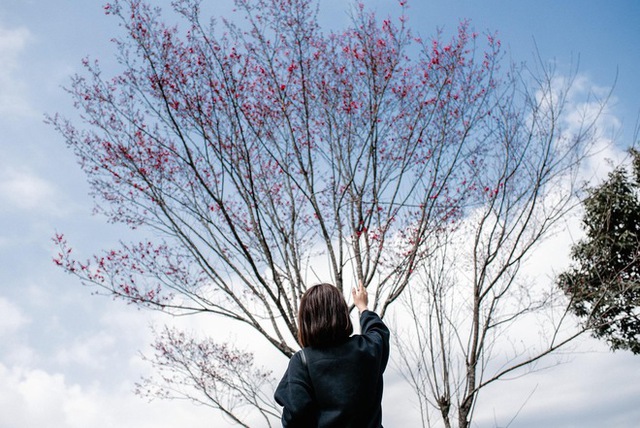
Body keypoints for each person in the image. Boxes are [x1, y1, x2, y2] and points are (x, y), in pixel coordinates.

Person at [274, 282, 390, 427]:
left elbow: (294, 416)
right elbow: (379, 332)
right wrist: (363, 307)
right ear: (342, 313)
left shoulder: (303, 361)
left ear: (306, 320)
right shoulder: (366, 348)